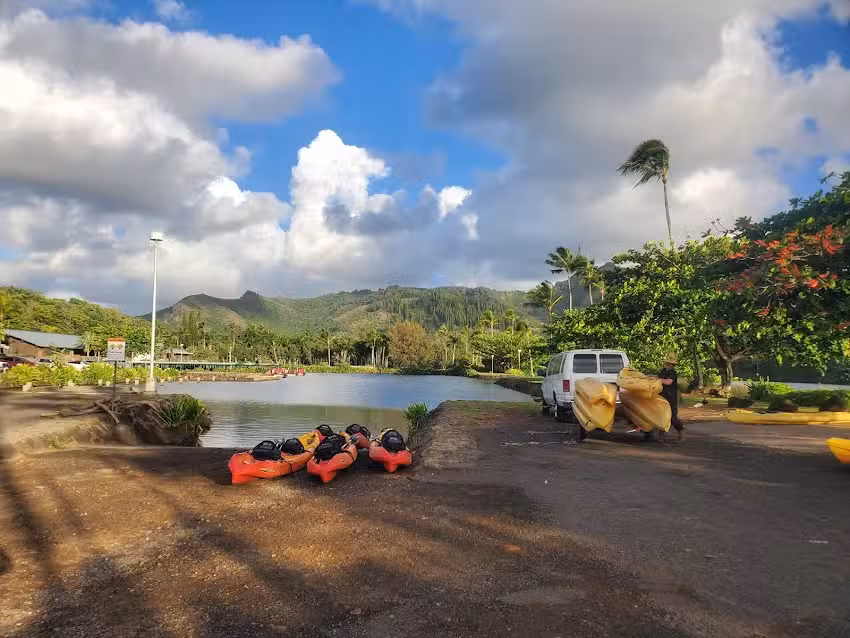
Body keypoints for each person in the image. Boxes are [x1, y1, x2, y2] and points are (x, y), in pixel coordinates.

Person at [658, 353, 684, 441]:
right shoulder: (663, 371)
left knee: (672, 416)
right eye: (666, 363)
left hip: (671, 397)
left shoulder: (673, 372)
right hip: (662, 396)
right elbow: (659, 379)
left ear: (672, 365)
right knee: (661, 415)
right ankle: (661, 435)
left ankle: (681, 434)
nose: (667, 365)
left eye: (668, 363)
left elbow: (668, 382)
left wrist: (657, 380)